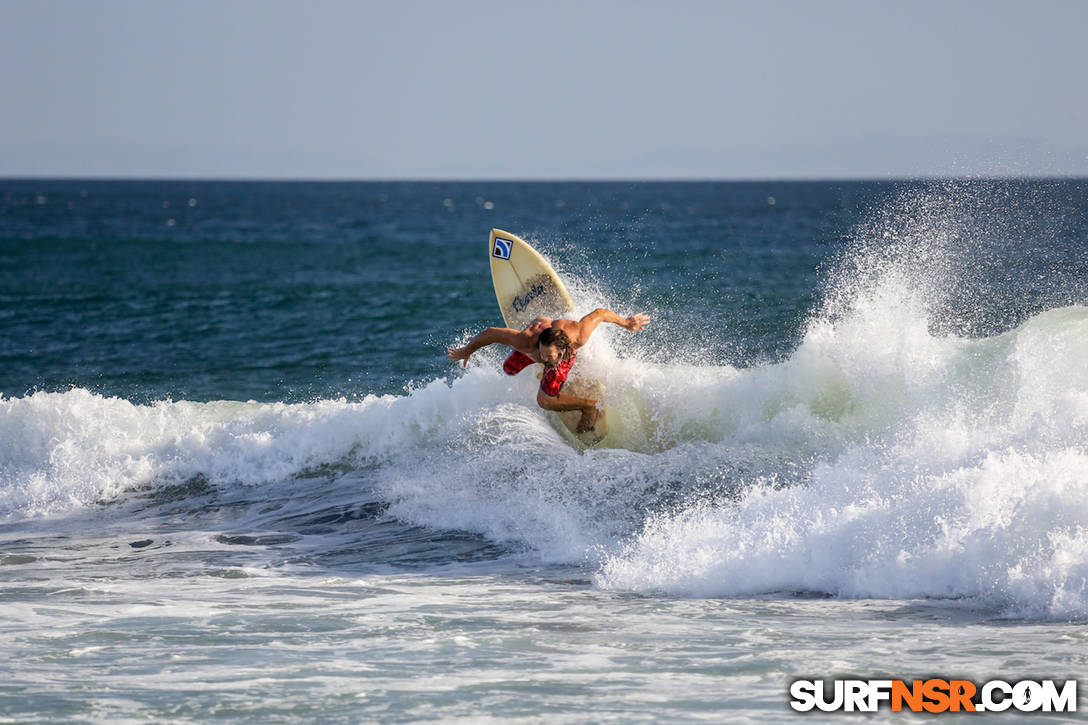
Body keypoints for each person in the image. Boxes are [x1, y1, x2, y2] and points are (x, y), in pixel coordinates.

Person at [447, 309, 650, 432]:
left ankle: (589, 406)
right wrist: (467, 350)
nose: (544, 360)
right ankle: (543, 324)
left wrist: (626, 323)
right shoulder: (525, 341)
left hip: (561, 361)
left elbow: (600, 313)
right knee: (508, 369)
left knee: (544, 401)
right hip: (533, 344)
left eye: (548, 356)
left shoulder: (578, 336)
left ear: (562, 349)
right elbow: (491, 333)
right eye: (542, 355)